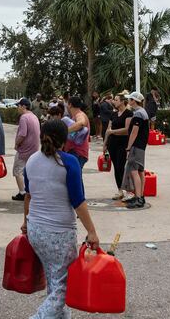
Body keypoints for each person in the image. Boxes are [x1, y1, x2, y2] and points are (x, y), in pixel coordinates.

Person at [21, 119, 99, 319]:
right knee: (62, 292)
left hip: (35, 230)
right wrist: (91, 231)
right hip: (59, 234)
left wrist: (25, 222)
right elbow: (78, 202)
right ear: (65, 140)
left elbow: (28, 196)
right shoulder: (69, 162)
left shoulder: (31, 161)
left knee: (55, 282)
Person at [104, 94, 133, 200]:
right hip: (112, 143)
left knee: (121, 166)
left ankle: (126, 190)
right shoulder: (113, 114)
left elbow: (126, 129)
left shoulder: (128, 113)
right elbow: (108, 129)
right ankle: (120, 190)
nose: (113, 101)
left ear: (122, 101)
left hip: (123, 143)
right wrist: (105, 144)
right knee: (116, 167)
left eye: (116, 100)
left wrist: (113, 132)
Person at [124, 92, 150, 209]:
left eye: (129, 99)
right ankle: (140, 196)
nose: (128, 101)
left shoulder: (138, 114)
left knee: (134, 171)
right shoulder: (142, 112)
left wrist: (128, 147)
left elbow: (134, 132)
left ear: (134, 101)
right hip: (141, 146)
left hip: (136, 146)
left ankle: (138, 198)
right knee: (140, 171)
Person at [11, 98, 40, 201]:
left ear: (24, 106)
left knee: (17, 170)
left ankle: (22, 193)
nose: (17, 108)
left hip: (24, 150)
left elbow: (22, 134)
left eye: (18, 106)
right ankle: (31, 191)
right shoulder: (34, 117)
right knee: (30, 171)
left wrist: (16, 144)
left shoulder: (24, 118)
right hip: (34, 149)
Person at [63, 96, 90, 169]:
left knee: (75, 178)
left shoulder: (79, 115)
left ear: (70, 105)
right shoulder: (75, 116)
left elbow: (81, 123)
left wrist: (64, 131)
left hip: (77, 153)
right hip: (76, 152)